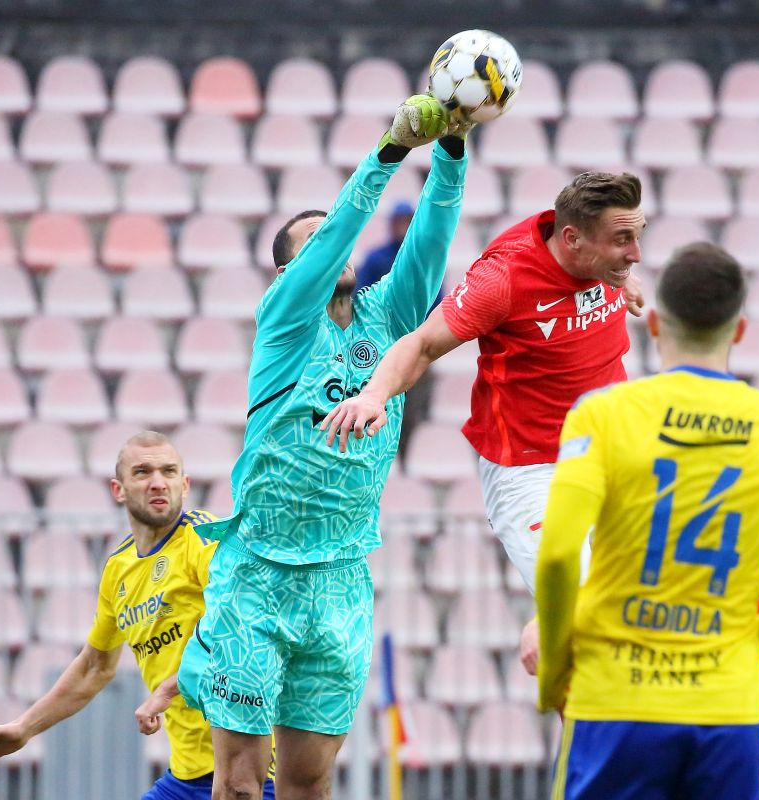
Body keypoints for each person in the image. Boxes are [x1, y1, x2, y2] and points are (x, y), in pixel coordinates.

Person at [319, 171, 759, 764]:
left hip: (616, 456)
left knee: (723, 585)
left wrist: (619, 278)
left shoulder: (599, 261)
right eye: (623, 240)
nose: (636, 253)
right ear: (572, 239)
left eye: (638, 236)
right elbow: (423, 343)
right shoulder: (503, 279)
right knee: (593, 630)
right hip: (532, 473)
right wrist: (374, 395)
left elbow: (610, 272)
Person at [173, 94, 469, 800]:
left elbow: (431, 239)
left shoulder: (387, 315)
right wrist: (388, 152)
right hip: (258, 576)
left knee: (309, 782)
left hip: (340, 582)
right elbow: (340, 233)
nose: (333, 247)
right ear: (287, 274)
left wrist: (451, 151)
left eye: (329, 236)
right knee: (239, 784)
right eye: (312, 242)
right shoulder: (283, 321)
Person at [533, 243, 759, 797]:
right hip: (725, 710)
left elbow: (557, 556)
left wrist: (553, 675)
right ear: (739, 330)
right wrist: (749, 645)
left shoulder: (601, 415)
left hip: (615, 701)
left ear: (654, 324)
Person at [0, 432, 275, 800]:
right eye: (143, 472)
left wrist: (167, 689)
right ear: (118, 489)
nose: (158, 482)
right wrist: (24, 728)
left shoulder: (204, 539)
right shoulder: (119, 568)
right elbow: (94, 666)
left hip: (250, 768)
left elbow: (243, 631)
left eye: (168, 471)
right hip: (188, 774)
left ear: (185, 484)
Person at [355, 200, 414, 292]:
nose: (402, 226)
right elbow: (362, 292)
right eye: (398, 221)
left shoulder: (419, 257)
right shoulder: (375, 258)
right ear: (392, 224)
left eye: (407, 221)